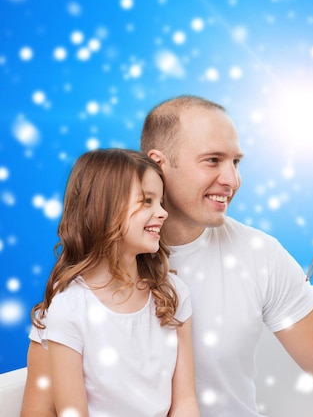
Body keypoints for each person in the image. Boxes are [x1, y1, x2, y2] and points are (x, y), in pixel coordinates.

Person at [22, 96, 313, 417]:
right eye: (213, 160)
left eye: (236, 162)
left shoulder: (258, 255)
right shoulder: (79, 294)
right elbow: (41, 408)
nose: (232, 179)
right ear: (159, 163)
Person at [23, 149, 199, 417]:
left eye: (161, 202)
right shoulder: (69, 308)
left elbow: (185, 401)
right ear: (104, 210)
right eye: (147, 201)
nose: (163, 213)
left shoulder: (173, 293)